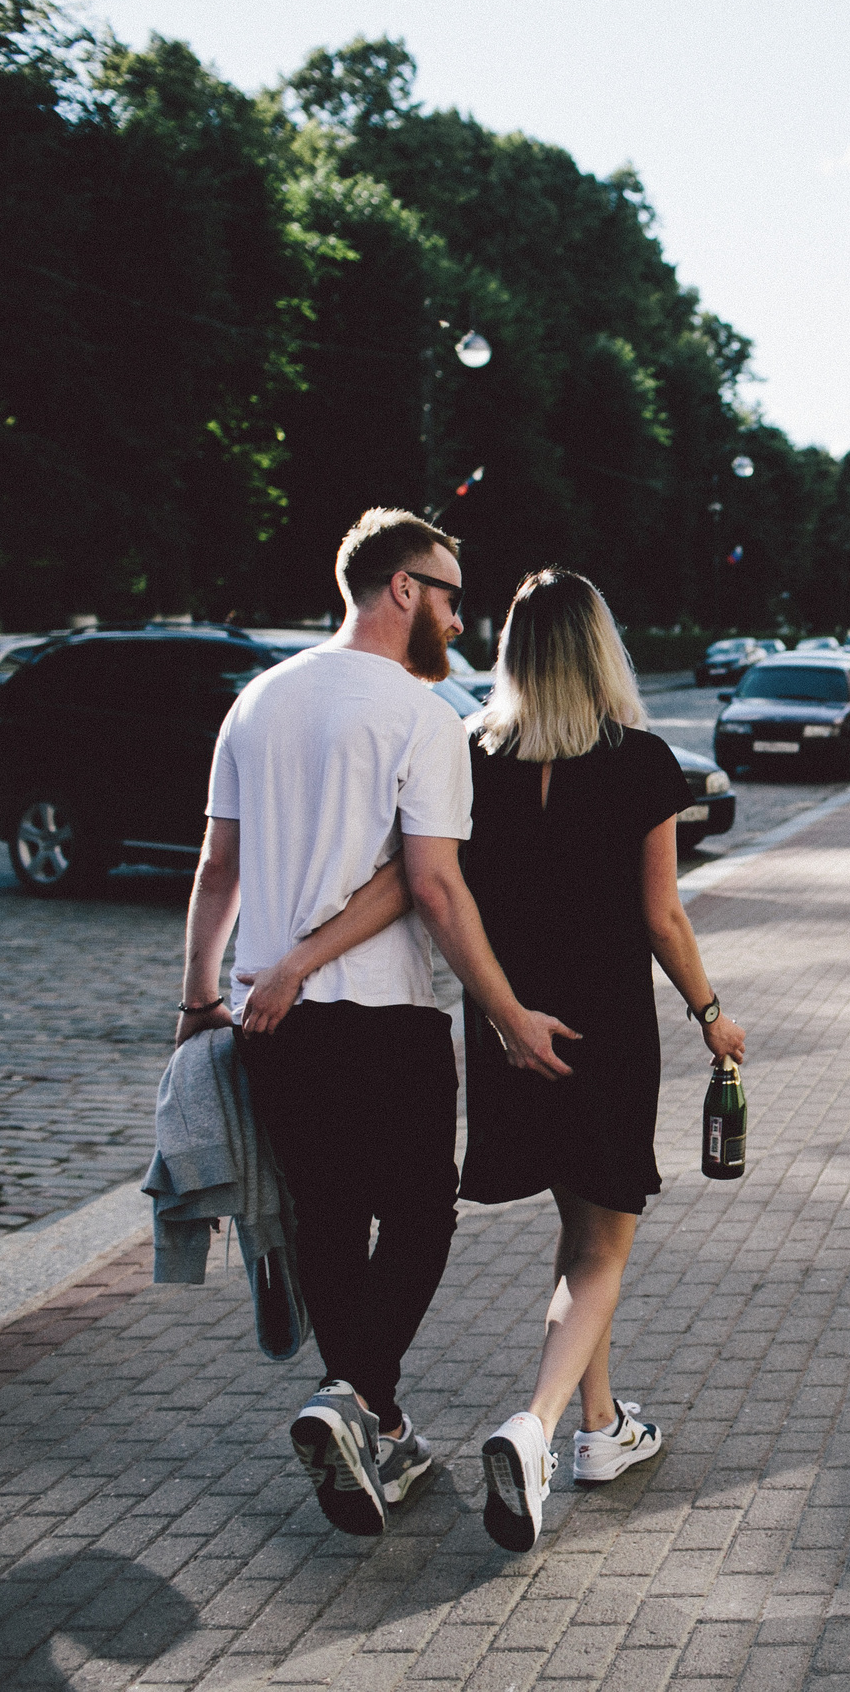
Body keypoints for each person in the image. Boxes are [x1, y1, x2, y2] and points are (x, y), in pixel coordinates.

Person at [176, 507, 577, 1540]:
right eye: (448, 589)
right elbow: (432, 886)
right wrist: (506, 1014)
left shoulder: (257, 702)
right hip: (382, 1015)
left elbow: (216, 868)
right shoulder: (423, 713)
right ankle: (354, 1397)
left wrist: (198, 999)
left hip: (271, 1019)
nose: (457, 608)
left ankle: (368, 1419)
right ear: (403, 588)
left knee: (325, 1218)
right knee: (419, 1213)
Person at [460, 568, 746, 1553]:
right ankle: (533, 1430)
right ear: (600, 648)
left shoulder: (474, 759)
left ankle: (599, 1431)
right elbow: (660, 913)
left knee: (581, 1237)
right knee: (602, 1252)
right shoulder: (639, 763)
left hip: (505, 1027)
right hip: (605, 1027)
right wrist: (710, 1012)